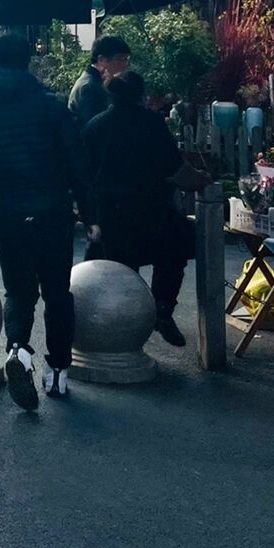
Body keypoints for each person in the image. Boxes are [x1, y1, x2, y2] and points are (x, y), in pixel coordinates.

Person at [0, 30, 88, 408]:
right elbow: (76, 163)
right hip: (53, 213)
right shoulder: (52, 106)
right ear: (28, 62)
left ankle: (18, 350)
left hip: (7, 215)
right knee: (57, 292)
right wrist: (91, 213)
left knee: (18, 291)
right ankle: (58, 372)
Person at [81, 71, 191, 347]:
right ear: (141, 95)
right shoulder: (152, 124)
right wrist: (201, 180)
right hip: (153, 211)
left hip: (110, 215)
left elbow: (83, 175)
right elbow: (175, 169)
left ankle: (123, 328)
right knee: (173, 255)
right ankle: (162, 309)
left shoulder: (94, 126)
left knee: (120, 272)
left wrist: (89, 216)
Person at [69, 33, 131, 130]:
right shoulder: (89, 87)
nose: (125, 64)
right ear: (101, 59)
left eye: (126, 59)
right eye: (120, 58)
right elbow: (93, 128)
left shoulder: (98, 82)